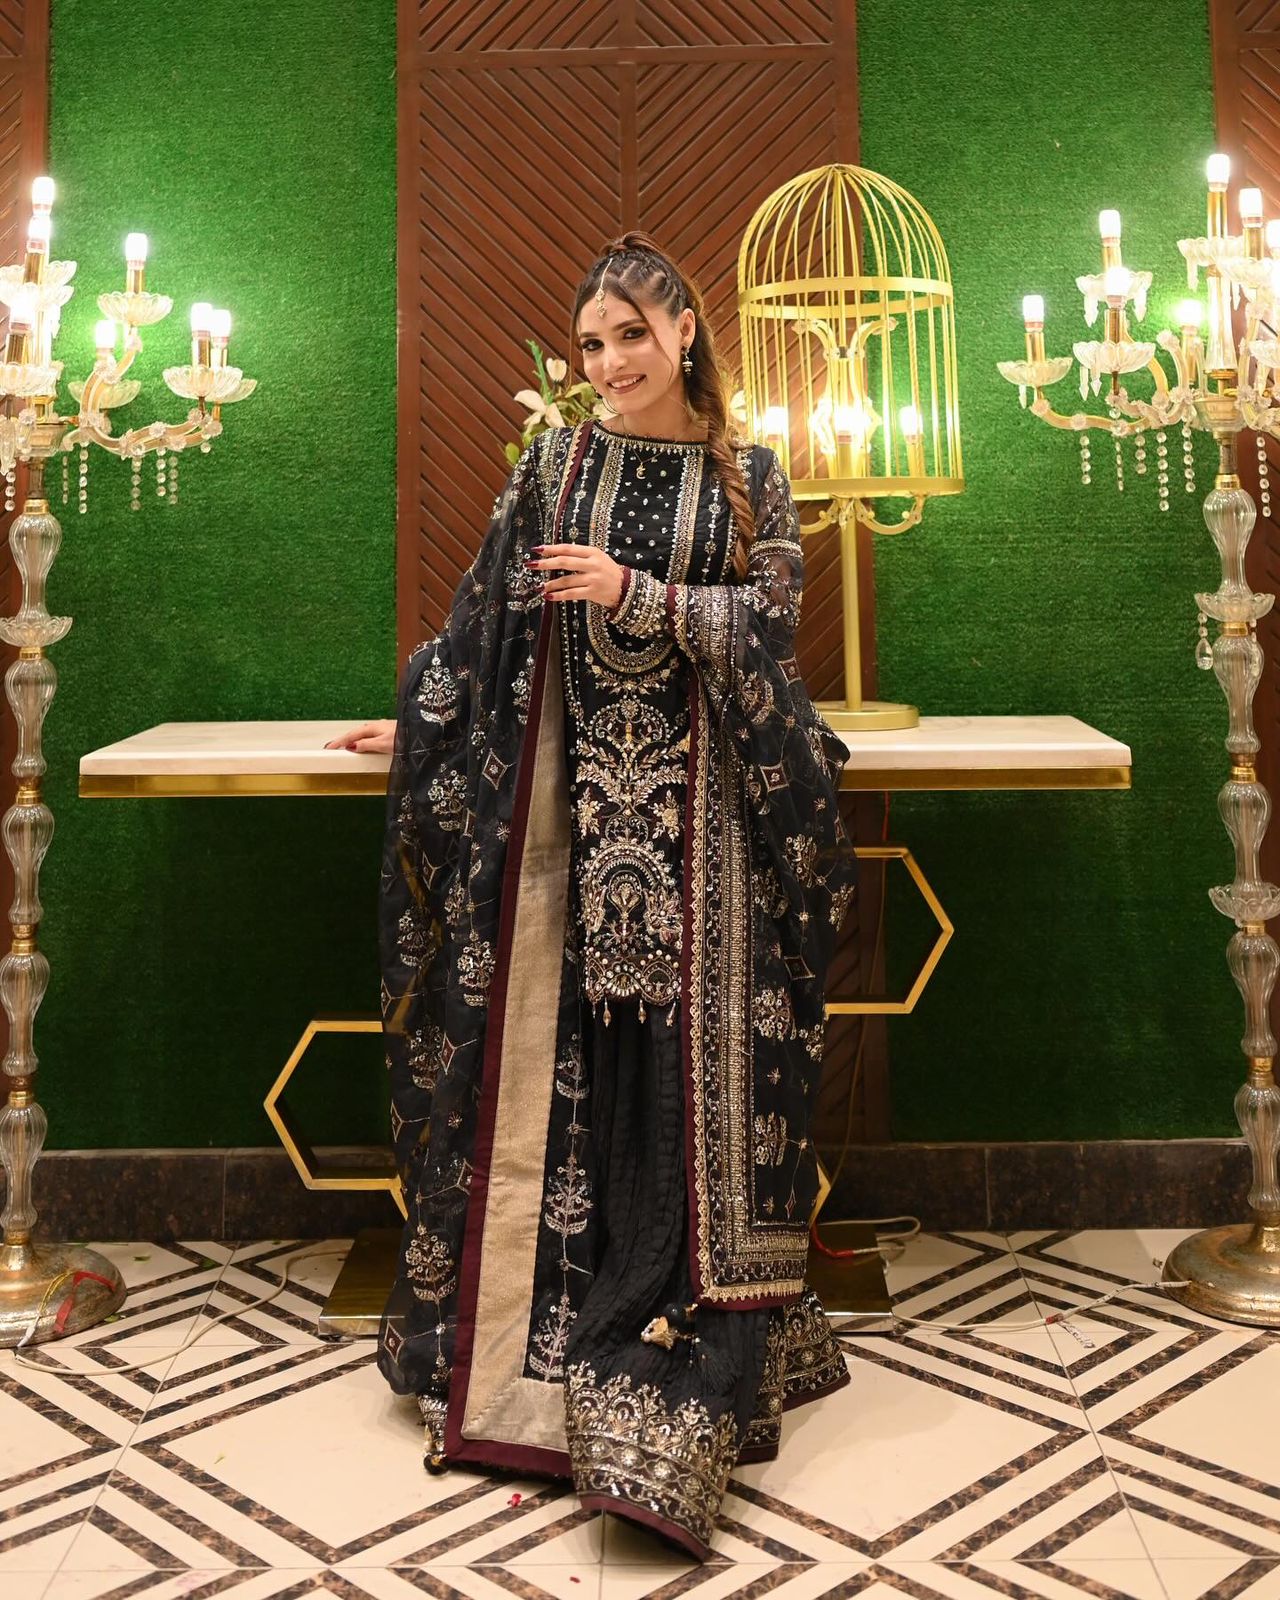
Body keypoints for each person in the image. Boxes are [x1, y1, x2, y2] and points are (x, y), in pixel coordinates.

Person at [328, 233, 856, 1560]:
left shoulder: (751, 478)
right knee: (567, 1061)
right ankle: (542, 1349)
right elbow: (488, 622)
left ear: (684, 331)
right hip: (570, 834)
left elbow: (770, 633)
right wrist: (426, 720)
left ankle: (692, 1342)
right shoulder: (554, 465)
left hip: (709, 832)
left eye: (631, 335)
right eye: (592, 344)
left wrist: (641, 594)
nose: (611, 363)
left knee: (694, 1080)